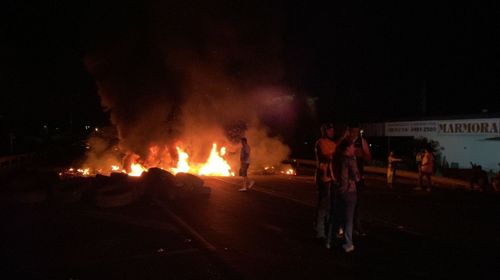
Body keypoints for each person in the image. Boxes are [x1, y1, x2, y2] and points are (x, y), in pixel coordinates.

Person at [330, 139, 360, 252]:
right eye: (353, 147)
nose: (354, 149)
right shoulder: (349, 160)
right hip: (349, 191)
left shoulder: (335, 158)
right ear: (347, 148)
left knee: (336, 217)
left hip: (338, 191)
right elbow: (356, 177)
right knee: (348, 219)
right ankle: (348, 244)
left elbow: (333, 174)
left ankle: (330, 240)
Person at [314, 123, 341, 241]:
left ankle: (331, 229)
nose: (332, 132)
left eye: (333, 130)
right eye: (330, 130)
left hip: (333, 176)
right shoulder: (320, 142)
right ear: (325, 131)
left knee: (332, 203)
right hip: (324, 176)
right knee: (323, 203)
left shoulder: (333, 143)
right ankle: (320, 230)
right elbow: (326, 156)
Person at [347, 124, 371, 236]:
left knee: (358, 203)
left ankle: (357, 226)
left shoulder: (362, 142)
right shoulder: (345, 141)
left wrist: (362, 154)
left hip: (358, 177)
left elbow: (369, 158)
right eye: (352, 130)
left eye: (356, 131)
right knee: (346, 202)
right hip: (346, 177)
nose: (354, 133)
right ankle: (346, 227)